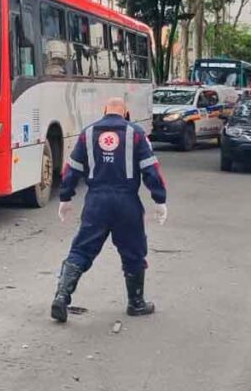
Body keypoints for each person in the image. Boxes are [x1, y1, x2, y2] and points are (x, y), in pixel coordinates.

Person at [51, 97, 169, 323]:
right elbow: (151, 170)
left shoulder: (87, 133)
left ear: (104, 111)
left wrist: (65, 198)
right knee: (134, 251)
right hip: (127, 202)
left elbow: (72, 169)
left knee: (82, 249)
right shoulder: (135, 134)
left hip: (96, 202)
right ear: (125, 113)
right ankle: (136, 303)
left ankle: (62, 296)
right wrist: (160, 200)